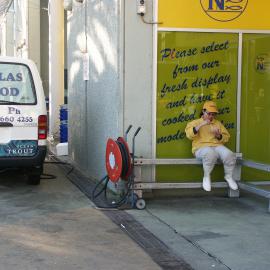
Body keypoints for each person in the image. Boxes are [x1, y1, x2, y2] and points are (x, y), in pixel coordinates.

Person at [185, 101, 238, 192]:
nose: (211, 116)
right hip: (200, 147)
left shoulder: (217, 123)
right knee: (210, 153)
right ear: (203, 111)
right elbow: (189, 135)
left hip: (216, 146)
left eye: (213, 114)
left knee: (229, 154)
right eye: (209, 113)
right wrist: (202, 124)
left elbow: (226, 137)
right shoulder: (195, 122)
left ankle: (228, 176)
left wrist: (218, 136)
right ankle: (206, 177)